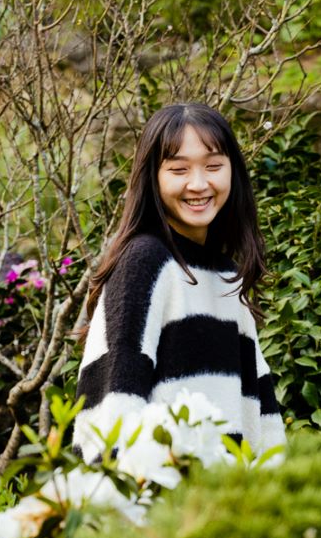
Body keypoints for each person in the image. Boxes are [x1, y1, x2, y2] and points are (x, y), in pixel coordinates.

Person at [73, 103, 284, 459]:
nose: (199, 184)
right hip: (157, 505)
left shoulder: (226, 275)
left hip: (224, 504)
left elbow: (258, 414)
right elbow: (114, 407)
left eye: (214, 166)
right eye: (179, 169)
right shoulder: (145, 262)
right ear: (153, 178)